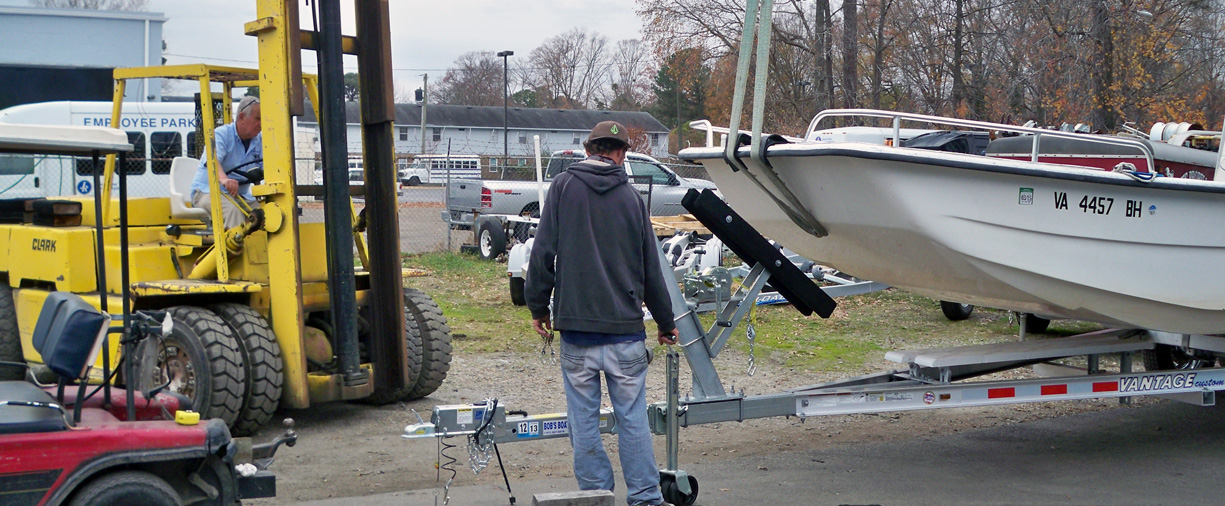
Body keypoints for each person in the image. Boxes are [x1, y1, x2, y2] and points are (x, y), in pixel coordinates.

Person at [525, 120, 680, 506]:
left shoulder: (562, 188)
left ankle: (596, 496)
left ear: (588, 148)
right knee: (632, 419)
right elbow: (651, 267)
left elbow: (543, 252)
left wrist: (538, 307)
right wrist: (665, 322)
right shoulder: (631, 199)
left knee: (583, 421)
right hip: (625, 333)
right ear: (621, 154)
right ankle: (645, 497)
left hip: (577, 331)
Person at [190, 95, 262, 229]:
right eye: (257, 119)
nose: (261, 124)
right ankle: (237, 250)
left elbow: (267, 168)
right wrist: (224, 179)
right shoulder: (221, 135)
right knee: (233, 212)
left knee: (265, 214)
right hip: (207, 192)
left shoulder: (260, 141)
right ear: (241, 118)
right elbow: (212, 161)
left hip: (240, 195)